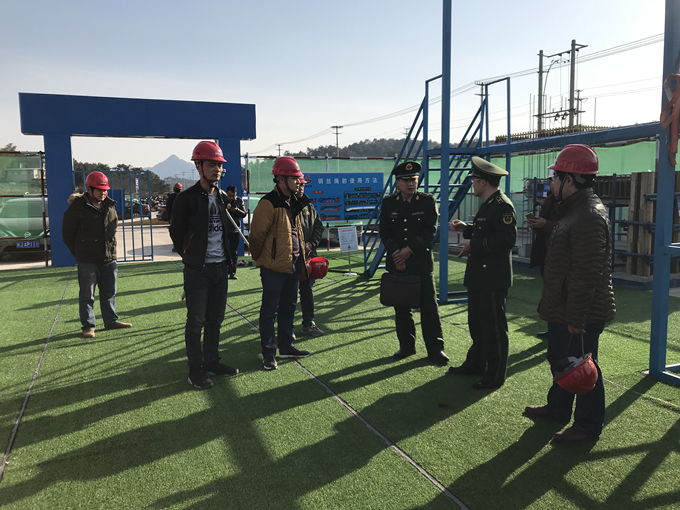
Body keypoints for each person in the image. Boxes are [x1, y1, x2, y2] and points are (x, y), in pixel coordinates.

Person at [524, 144, 615, 444]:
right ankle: (558, 408)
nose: (551, 183)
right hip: (564, 305)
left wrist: (577, 318)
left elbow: (586, 273)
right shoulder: (573, 209)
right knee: (563, 360)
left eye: (555, 177)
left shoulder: (588, 215)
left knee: (584, 367)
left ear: (570, 180)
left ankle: (588, 426)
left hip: (578, 311)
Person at [170, 141, 238, 390]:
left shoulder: (221, 197)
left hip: (220, 268)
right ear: (198, 166)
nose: (217, 170)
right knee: (196, 321)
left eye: (219, 166)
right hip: (198, 271)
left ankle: (212, 362)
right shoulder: (186, 198)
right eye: (211, 165)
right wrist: (191, 256)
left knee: (216, 319)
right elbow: (176, 233)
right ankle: (195, 370)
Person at [449, 156, 516, 389]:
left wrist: (474, 245)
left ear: (483, 182)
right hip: (480, 275)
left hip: (492, 277)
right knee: (477, 324)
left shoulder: (502, 205)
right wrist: (467, 229)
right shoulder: (490, 203)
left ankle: (495, 375)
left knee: (494, 328)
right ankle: (476, 363)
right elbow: (487, 230)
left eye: (474, 180)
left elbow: (506, 239)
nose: (473, 184)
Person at [379, 161, 448, 365]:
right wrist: (397, 254)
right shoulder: (389, 203)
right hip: (397, 263)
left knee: (429, 308)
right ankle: (406, 347)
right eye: (406, 180)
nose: (411, 184)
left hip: (420, 263)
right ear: (397, 182)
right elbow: (385, 231)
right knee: (402, 309)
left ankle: (436, 349)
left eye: (414, 180)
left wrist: (408, 251)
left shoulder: (427, 201)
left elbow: (430, 231)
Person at [250, 156, 311, 371]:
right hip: (274, 267)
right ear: (281, 179)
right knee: (269, 311)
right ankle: (269, 353)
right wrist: (265, 259)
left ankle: (286, 346)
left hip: (292, 264)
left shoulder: (293, 202)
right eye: (295, 178)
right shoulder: (268, 203)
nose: (299, 182)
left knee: (288, 307)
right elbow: (256, 237)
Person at [62, 171, 132, 338]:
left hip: (109, 258)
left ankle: (111, 321)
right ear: (89, 189)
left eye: (105, 190)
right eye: (99, 190)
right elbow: (67, 234)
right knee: (87, 295)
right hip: (87, 260)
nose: (103, 193)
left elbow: (113, 229)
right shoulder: (77, 207)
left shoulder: (110, 206)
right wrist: (80, 253)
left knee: (109, 292)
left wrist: (111, 250)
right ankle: (88, 326)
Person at [296, 176, 325, 336]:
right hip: (291, 258)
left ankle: (308, 323)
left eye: (303, 185)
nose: (301, 188)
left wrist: (311, 244)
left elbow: (319, 227)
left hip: (308, 258)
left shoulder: (309, 206)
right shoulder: (287, 206)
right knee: (288, 294)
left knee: (307, 292)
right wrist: (298, 247)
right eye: (298, 185)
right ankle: (285, 329)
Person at [225, 185, 247, 280]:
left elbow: (244, 214)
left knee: (234, 252)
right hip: (224, 230)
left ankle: (232, 272)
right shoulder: (222, 200)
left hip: (236, 230)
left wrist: (236, 210)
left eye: (233, 196)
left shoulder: (239, 201)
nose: (231, 198)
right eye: (229, 196)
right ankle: (224, 271)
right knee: (224, 251)